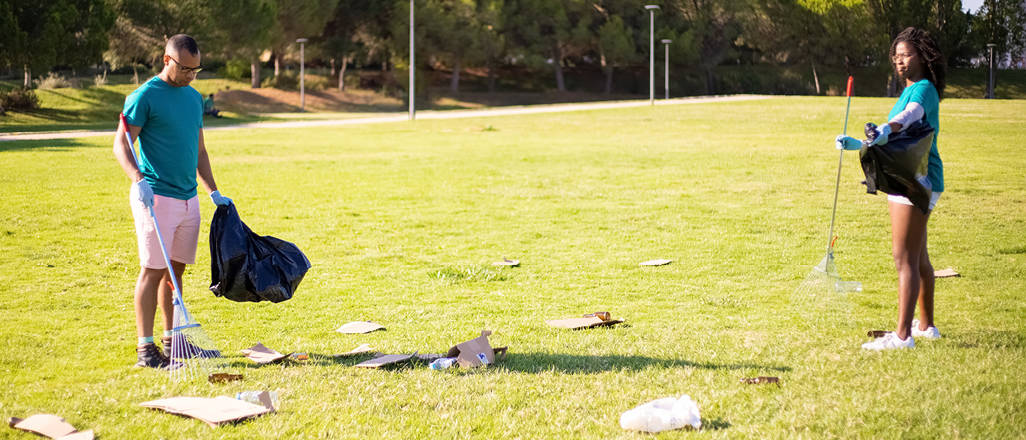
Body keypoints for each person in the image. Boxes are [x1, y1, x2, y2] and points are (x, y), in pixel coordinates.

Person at [113, 34, 233, 368]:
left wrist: (213, 191)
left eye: (197, 70)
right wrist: (138, 181)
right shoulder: (144, 96)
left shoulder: (194, 99)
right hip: (155, 198)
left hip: (187, 199)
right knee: (152, 271)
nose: (191, 76)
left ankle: (173, 342)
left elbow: (200, 151)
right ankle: (145, 349)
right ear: (167, 60)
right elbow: (121, 145)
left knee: (175, 273)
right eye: (185, 69)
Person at [836, 27, 945, 350]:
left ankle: (902, 337)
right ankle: (926, 326)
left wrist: (886, 127)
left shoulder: (924, 89)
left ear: (922, 58)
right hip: (916, 177)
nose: (899, 62)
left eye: (906, 56)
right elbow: (894, 140)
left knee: (904, 258)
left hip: (915, 180)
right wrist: (860, 143)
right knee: (919, 257)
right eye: (896, 57)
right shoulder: (910, 89)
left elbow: (909, 120)